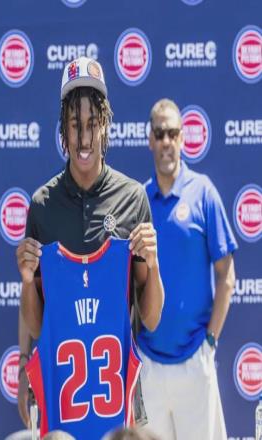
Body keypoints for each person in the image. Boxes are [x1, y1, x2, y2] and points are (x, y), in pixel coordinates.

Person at [16, 57, 164, 437]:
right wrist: (27, 281)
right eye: (74, 124)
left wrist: (153, 265)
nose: (84, 138)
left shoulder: (132, 198)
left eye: (92, 123)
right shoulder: (42, 205)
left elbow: (150, 319)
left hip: (120, 403)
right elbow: (37, 323)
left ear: (106, 125)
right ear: (62, 128)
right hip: (60, 401)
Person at [137, 98, 237, 440]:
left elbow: (227, 276)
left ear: (182, 138)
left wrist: (210, 341)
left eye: (172, 133)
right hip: (149, 364)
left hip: (195, 359)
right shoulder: (138, 201)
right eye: (159, 134)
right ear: (150, 140)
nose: (166, 141)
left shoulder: (203, 192)